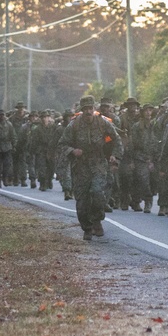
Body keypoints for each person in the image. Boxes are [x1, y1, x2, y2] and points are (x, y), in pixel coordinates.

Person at [59, 95, 119, 240]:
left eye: (90, 108)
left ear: (94, 109)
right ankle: (87, 227)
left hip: (98, 163)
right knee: (82, 200)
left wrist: (115, 155)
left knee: (98, 193)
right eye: (85, 109)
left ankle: (97, 220)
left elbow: (117, 138)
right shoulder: (74, 125)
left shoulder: (103, 123)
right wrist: (73, 151)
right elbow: (62, 144)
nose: (88, 112)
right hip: (81, 166)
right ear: (81, 110)